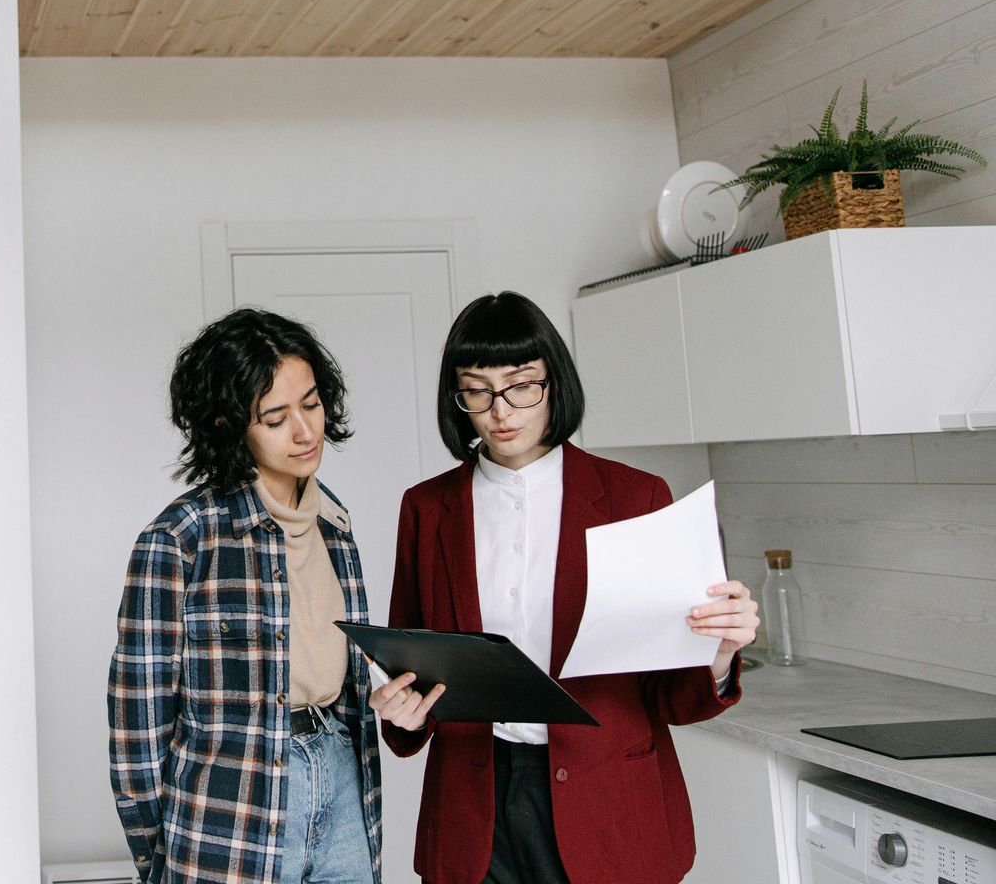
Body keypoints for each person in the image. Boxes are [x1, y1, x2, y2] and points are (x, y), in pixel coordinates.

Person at [374, 292, 759, 884]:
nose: (501, 410)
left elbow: (669, 698)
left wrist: (721, 653)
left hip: (609, 810)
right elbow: (413, 668)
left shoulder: (637, 498)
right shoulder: (427, 509)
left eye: (522, 384)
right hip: (474, 813)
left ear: (554, 382)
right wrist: (401, 713)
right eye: (477, 389)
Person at [108, 307, 438, 884]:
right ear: (227, 424)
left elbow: (345, 681)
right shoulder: (181, 541)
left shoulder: (336, 527)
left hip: (340, 777)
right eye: (276, 417)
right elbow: (138, 732)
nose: (306, 431)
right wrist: (160, 863)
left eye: (311, 404)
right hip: (230, 813)